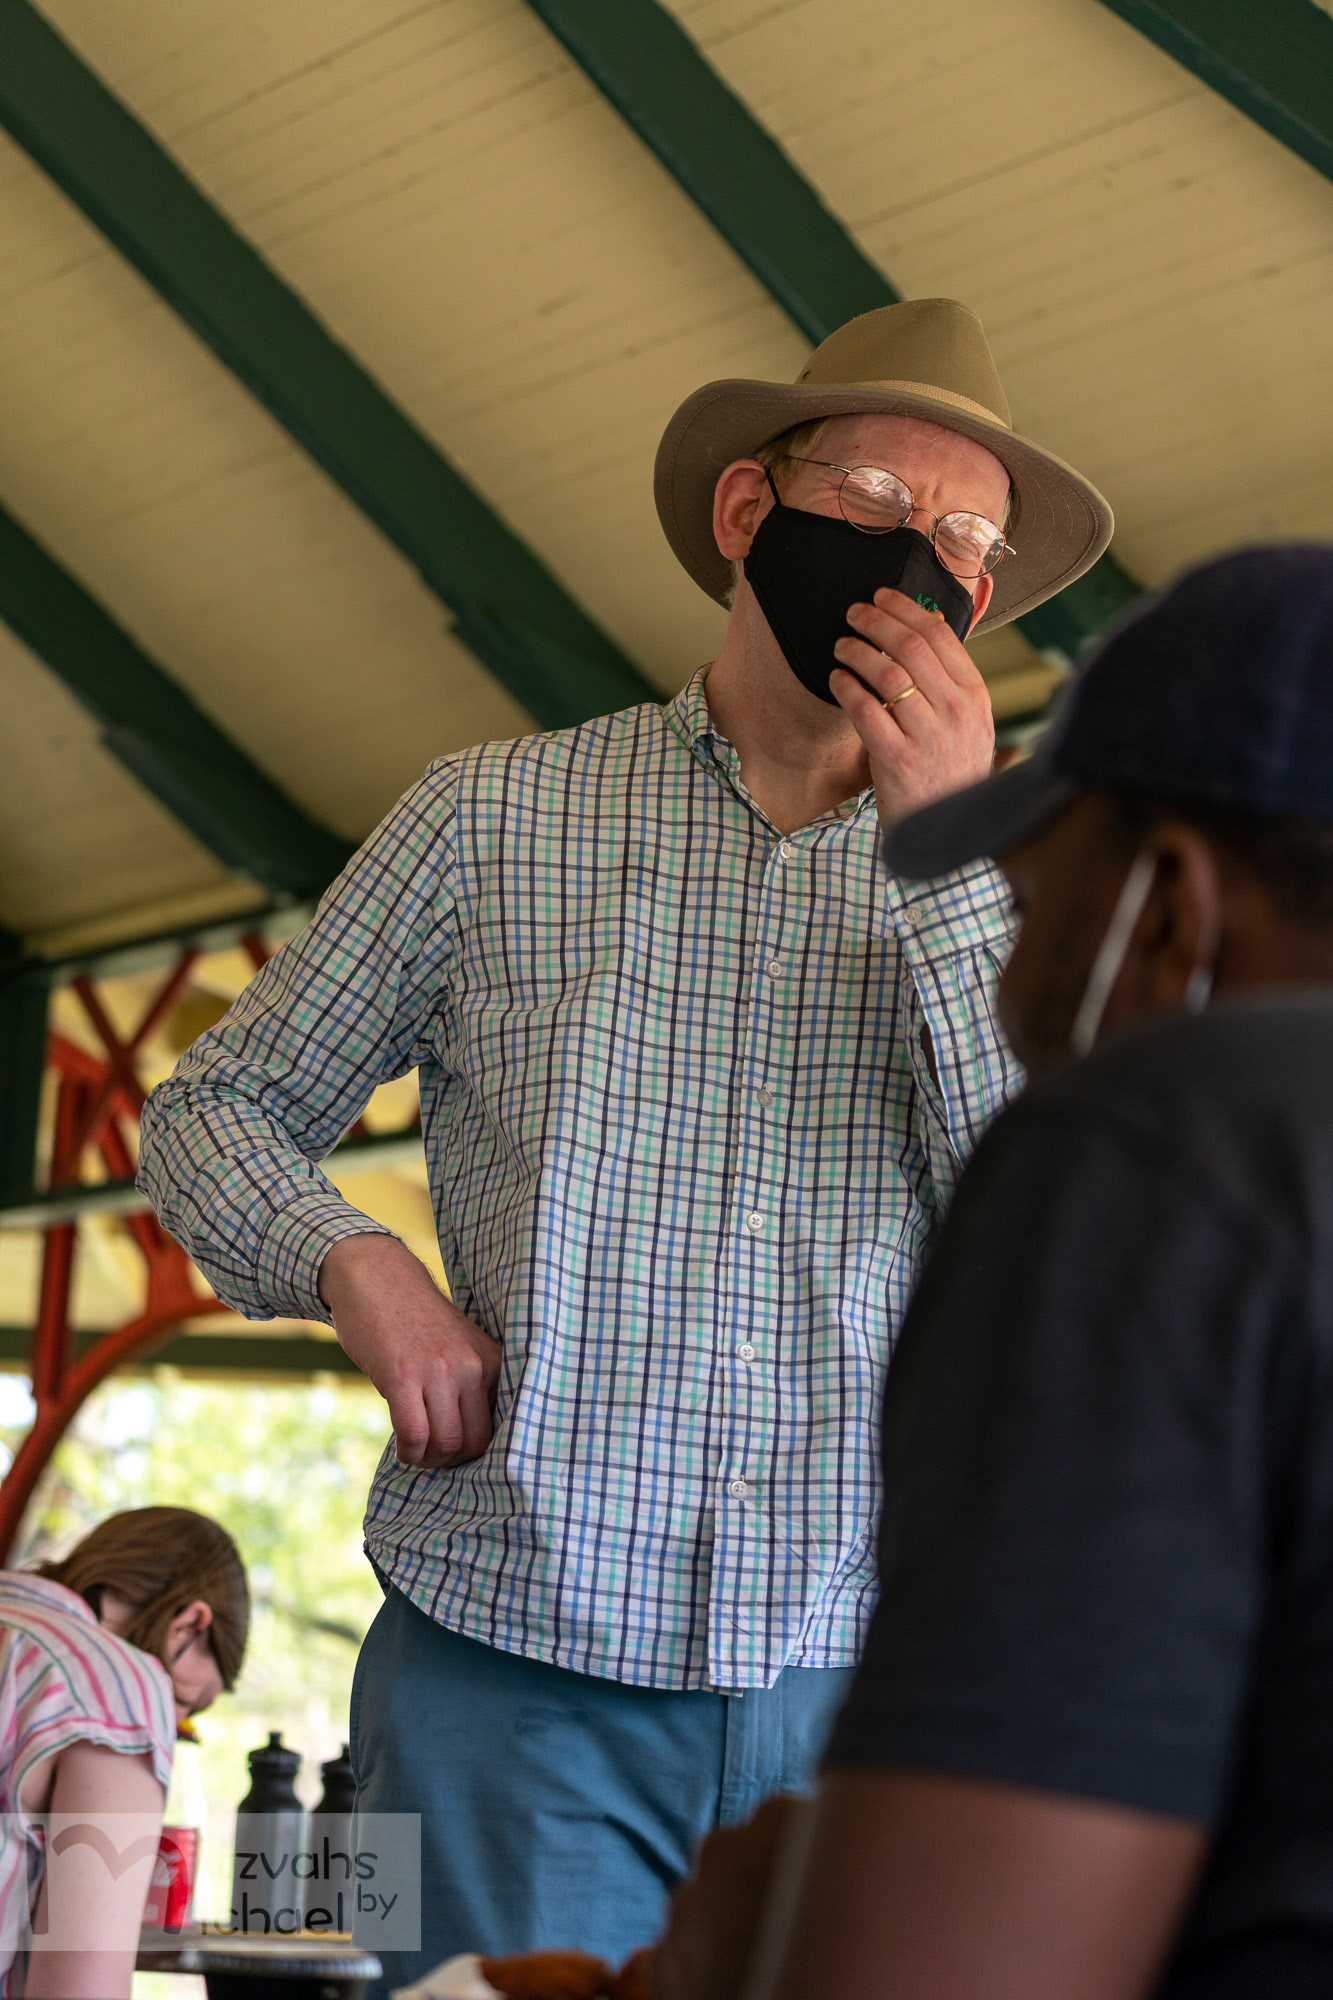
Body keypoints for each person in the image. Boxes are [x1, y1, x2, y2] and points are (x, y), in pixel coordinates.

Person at [135, 297, 1112, 1986]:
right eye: (880, 502)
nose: (923, 566)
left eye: (967, 541)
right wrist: (354, 1266)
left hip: (864, 1695)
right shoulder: (483, 819)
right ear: (750, 514)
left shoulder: (1038, 889)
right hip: (492, 1676)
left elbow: (1062, 1242)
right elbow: (208, 1108)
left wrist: (951, 855)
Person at [650, 543, 1333, 2000]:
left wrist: (735, 1960)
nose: (1007, 978)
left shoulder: (1167, 1141)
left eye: (1027, 901)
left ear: (1165, 911)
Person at [0, 1506, 249, 1999]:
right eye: (183, 1707)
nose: (171, 1734)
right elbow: (79, 1991)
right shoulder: (119, 1682)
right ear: (189, 1625)